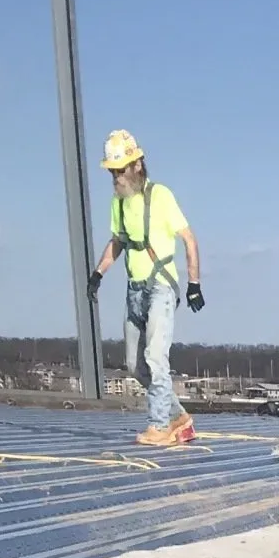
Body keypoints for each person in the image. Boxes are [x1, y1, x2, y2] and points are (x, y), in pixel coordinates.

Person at [88, 129, 204, 446]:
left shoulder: (161, 196)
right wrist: (98, 274)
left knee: (155, 357)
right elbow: (118, 241)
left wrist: (194, 283)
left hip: (161, 287)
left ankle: (159, 427)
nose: (116, 178)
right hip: (134, 290)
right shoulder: (119, 203)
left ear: (137, 165)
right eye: (112, 172)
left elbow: (189, 239)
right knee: (134, 366)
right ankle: (179, 418)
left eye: (120, 170)